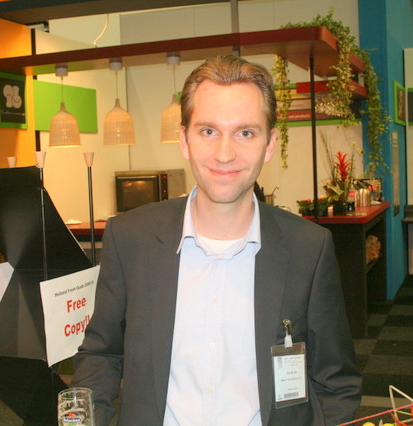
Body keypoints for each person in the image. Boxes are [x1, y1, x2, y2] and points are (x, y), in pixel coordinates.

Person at [71, 56, 362, 425]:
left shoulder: (309, 248)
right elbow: (101, 355)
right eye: (208, 131)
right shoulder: (131, 238)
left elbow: (336, 382)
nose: (225, 154)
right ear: (184, 140)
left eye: (245, 133)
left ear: (269, 144)